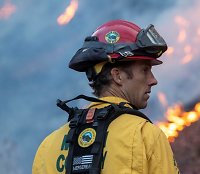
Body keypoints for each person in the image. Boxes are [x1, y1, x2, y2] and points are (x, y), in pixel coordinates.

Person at [32, 19, 180, 174]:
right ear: (117, 76)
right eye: (145, 70)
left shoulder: (47, 148)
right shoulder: (146, 136)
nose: (153, 80)